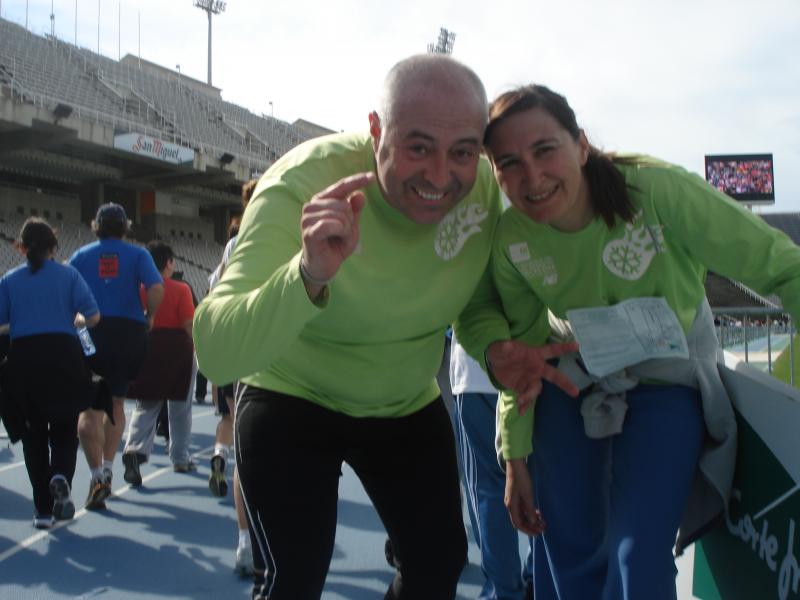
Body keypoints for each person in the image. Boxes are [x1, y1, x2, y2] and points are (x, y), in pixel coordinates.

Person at [193, 55, 576, 600]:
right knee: (292, 581)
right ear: (376, 131)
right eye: (418, 147)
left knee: (439, 563)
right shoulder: (302, 183)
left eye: (463, 152)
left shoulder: (485, 191)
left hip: (400, 401)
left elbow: (474, 303)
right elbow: (216, 352)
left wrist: (493, 350)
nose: (441, 177)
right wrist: (307, 275)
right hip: (291, 394)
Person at [480, 84, 800, 600]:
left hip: (666, 380)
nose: (532, 177)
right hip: (573, 379)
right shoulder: (511, 240)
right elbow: (524, 357)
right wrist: (514, 458)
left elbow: (780, 265)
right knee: (568, 547)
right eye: (509, 163)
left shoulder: (656, 191)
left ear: (581, 145)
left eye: (545, 150)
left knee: (638, 556)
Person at [0, 218, 100, 529]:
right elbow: (93, 317)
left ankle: (42, 510)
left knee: (33, 436)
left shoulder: (9, 280)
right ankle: (60, 475)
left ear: (20, 247)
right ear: (54, 247)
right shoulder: (69, 275)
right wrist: (75, 321)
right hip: (63, 356)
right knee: (64, 429)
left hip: (25, 358)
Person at [69, 203, 164, 510]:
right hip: (128, 331)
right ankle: (108, 469)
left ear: (96, 226)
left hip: (90, 330)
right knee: (116, 402)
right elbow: (155, 287)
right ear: (126, 227)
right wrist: (149, 316)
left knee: (89, 407)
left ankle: (96, 474)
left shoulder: (81, 256)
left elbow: (66, 294)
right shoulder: (138, 255)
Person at [450, 334, 533, 600]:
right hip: (536, 369)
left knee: (488, 488)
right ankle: (538, 581)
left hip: (478, 373)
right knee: (542, 484)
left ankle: (503, 592)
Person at [205, 179, 257, 577]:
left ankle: (246, 541)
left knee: (247, 448)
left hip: (243, 353)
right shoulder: (290, 231)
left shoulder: (233, 245)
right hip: (277, 356)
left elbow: (216, 292)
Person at [121, 241, 196, 483]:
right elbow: (188, 324)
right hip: (177, 351)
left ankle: (134, 449)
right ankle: (180, 458)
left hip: (148, 347)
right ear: (168, 263)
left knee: (146, 405)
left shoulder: (139, 289)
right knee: (180, 408)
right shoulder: (181, 289)